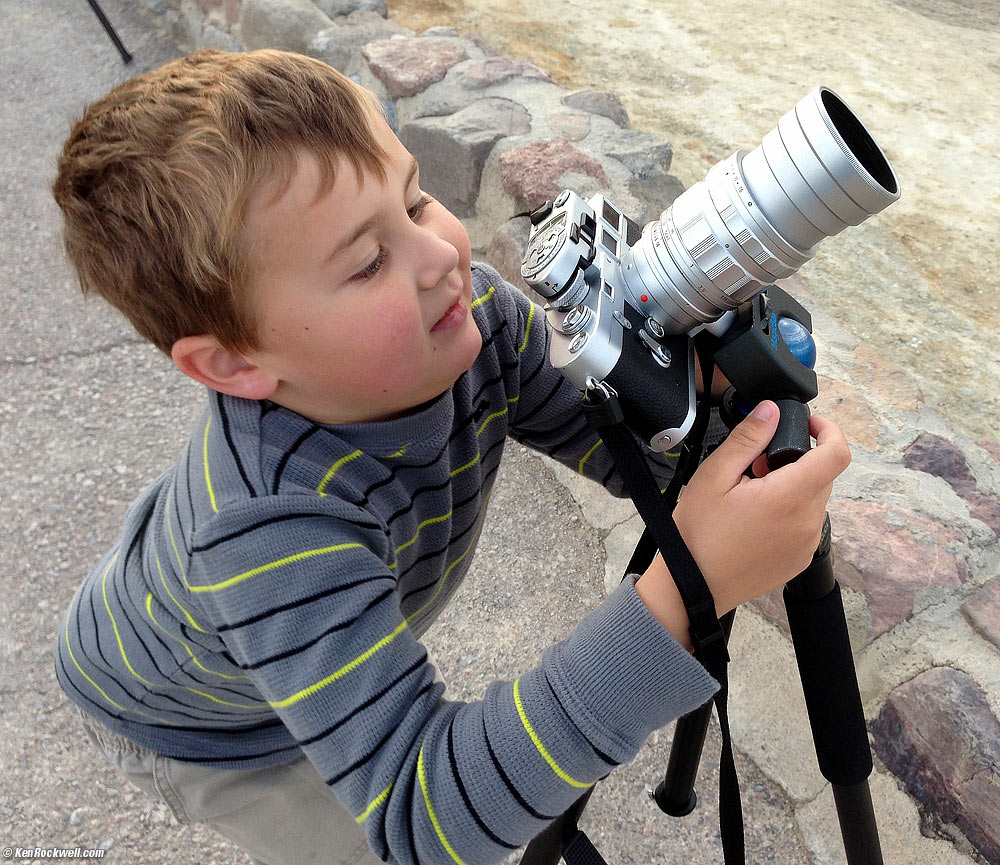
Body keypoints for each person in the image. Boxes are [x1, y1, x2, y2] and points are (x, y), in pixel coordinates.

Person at [51, 48, 851, 865]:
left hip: (257, 602)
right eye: (367, 261)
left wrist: (701, 418)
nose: (443, 254)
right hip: (198, 714)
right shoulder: (269, 538)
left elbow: (626, 457)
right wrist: (687, 591)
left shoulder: (473, 318)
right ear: (232, 363)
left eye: (417, 198)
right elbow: (421, 817)